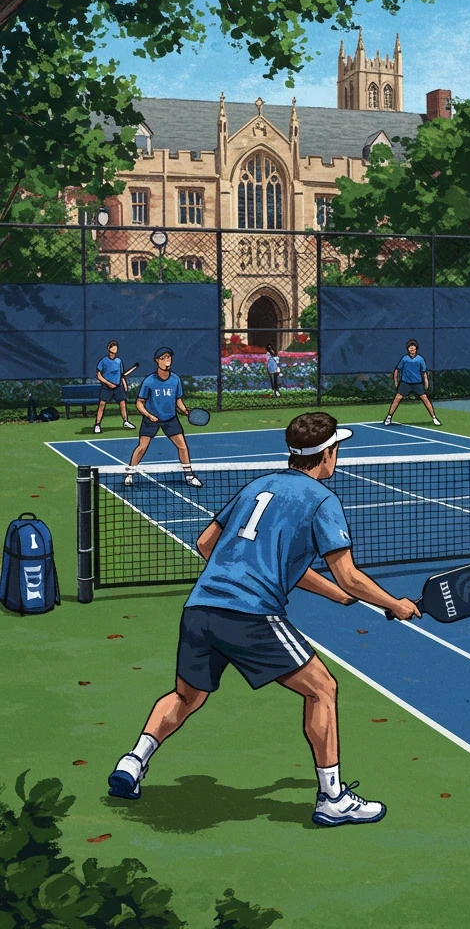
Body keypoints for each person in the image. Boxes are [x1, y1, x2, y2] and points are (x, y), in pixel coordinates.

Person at [107, 411, 422, 826]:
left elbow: (206, 544)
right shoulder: (323, 500)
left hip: (200, 609)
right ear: (325, 455)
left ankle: (134, 761)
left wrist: (333, 595)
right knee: (321, 689)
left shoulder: (258, 486)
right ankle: (332, 800)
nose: (337, 456)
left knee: (186, 697)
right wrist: (394, 604)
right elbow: (349, 574)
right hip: (250, 614)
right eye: (336, 449)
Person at [124, 347, 202, 488]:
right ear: (157, 361)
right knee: (142, 448)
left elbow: (178, 399)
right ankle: (130, 474)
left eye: (169, 357)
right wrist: (148, 415)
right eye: (163, 358)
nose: (167, 361)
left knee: (183, 447)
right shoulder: (149, 381)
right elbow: (139, 403)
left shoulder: (175, 379)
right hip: (151, 419)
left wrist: (185, 410)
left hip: (170, 419)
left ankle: (189, 476)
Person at [383, 339, 441, 427]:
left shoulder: (420, 359)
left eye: (413, 346)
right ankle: (389, 417)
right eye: (410, 347)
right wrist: (396, 381)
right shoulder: (404, 359)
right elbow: (397, 370)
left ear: (416, 348)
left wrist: (426, 382)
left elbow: (424, 372)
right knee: (397, 398)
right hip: (405, 383)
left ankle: (434, 418)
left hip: (417, 383)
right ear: (408, 349)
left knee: (425, 399)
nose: (412, 348)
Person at [94, 340, 135, 433]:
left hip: (118, 387)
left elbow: (121, 375)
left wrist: (124, 384)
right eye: (112, 347)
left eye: (116, 347)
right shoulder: (103, 361)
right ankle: (97, 425)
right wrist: (108, 383)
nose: (114, 348)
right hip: (106, 388)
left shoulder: (118, 361)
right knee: (102, 404)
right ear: (109, 349)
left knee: (122, 403)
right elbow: (99, 376)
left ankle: (125, 421)